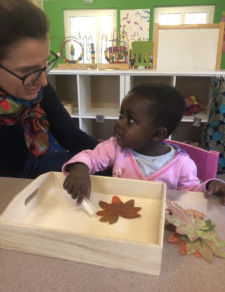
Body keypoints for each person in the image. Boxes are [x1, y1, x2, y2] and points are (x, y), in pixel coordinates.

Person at [62, 83, 225, 204]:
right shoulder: (116, 148)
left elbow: (192, 194)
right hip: (121, 217)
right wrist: (80, 168)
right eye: (121, 115)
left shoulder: (182, 165)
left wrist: (210, 186)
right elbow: (91, 157)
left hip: (158, 226)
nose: (119, 123)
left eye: (131, 120)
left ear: (157, 134)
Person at [0, 0, 99, 178]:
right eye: (28, 70)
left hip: (36, 164)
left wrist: (117, 156)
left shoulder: (37, 86)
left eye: (45, 63)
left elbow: (72, 138)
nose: (44, 81)